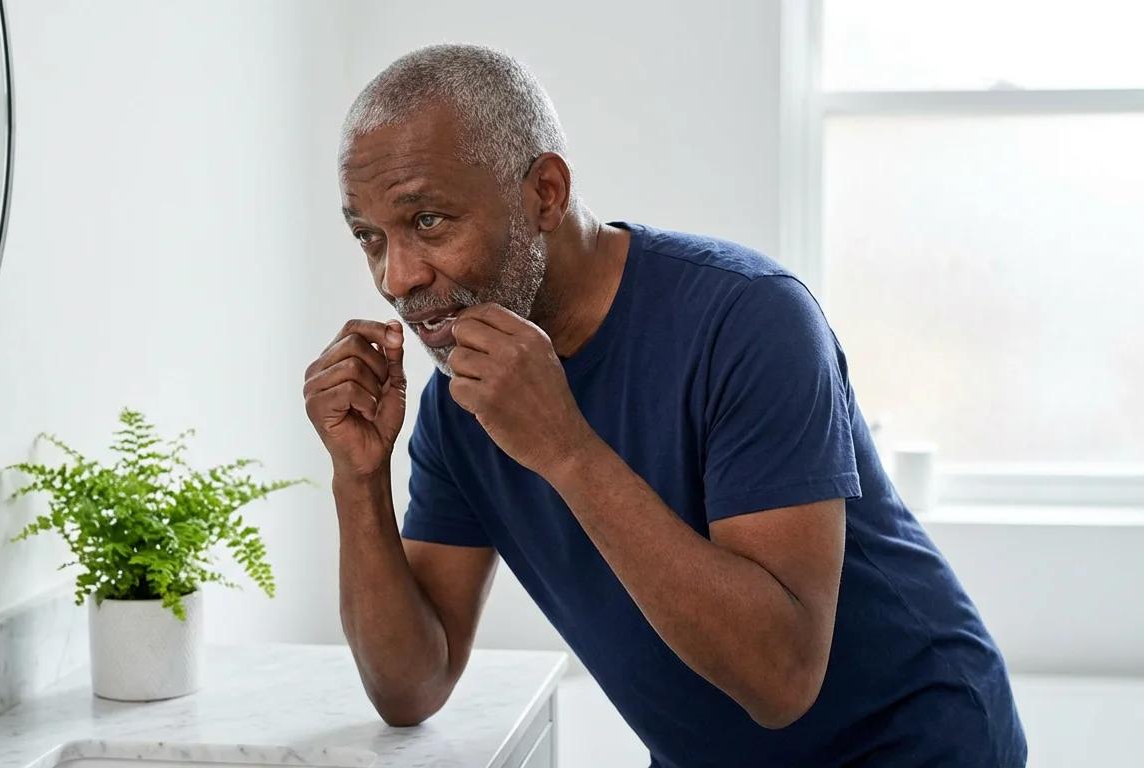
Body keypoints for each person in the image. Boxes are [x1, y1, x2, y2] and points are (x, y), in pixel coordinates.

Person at [303, 42, 1027, 768]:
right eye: (368, 237)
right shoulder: (462, 408)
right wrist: (358, 479)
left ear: (545, 193)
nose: (397, 277)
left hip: (917, 746)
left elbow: (781, 679)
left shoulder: (749, 318)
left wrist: (567, 448)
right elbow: (410, 689)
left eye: (428, 220)